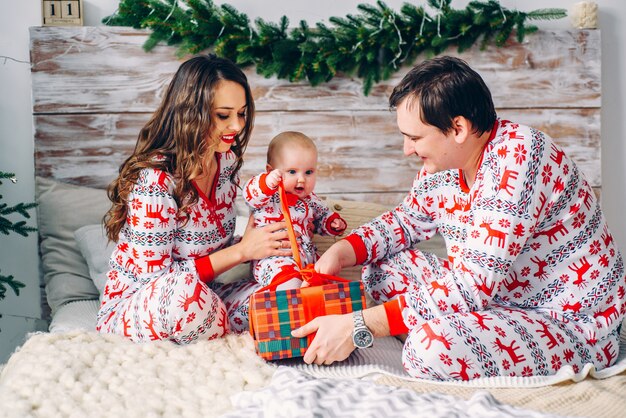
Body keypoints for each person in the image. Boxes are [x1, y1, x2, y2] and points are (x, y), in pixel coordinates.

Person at [292, 56, 626, 380]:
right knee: (379, 271)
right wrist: (342, 251)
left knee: (427, 349)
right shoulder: (443, 167)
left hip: (568, 323)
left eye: (415, 137)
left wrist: (360, 327)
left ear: (458, 128)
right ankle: (457, 331)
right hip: (495, 300)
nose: (407, 150)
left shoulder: (520, 157)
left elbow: (471, 286)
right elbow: (406, 220)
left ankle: (448, 337)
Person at [97, 54, 292, 343]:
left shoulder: (225, 163)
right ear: (191, 113)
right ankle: (231, 332)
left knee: (282, 297)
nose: (237, 126)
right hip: (142, 305)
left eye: (242, 113)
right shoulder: (156, 179)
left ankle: (225, 328)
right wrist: (241, 252)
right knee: (185, 297)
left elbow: (208, 252)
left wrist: (258, 239)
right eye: (223, 115)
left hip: (206, 297)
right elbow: (158, 280)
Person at [244, 131, 347, 289]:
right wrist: (267, 181)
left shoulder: (311, 200)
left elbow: (322, 216)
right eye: (292, 172)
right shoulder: (269, 195)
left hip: (307, 260)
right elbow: (251, 195)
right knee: (288, 282)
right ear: (271, 170)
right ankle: (290, 302)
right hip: (275, 257)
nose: (301, 179)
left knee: (327, 280)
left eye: (308, 172)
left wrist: (332, 223)